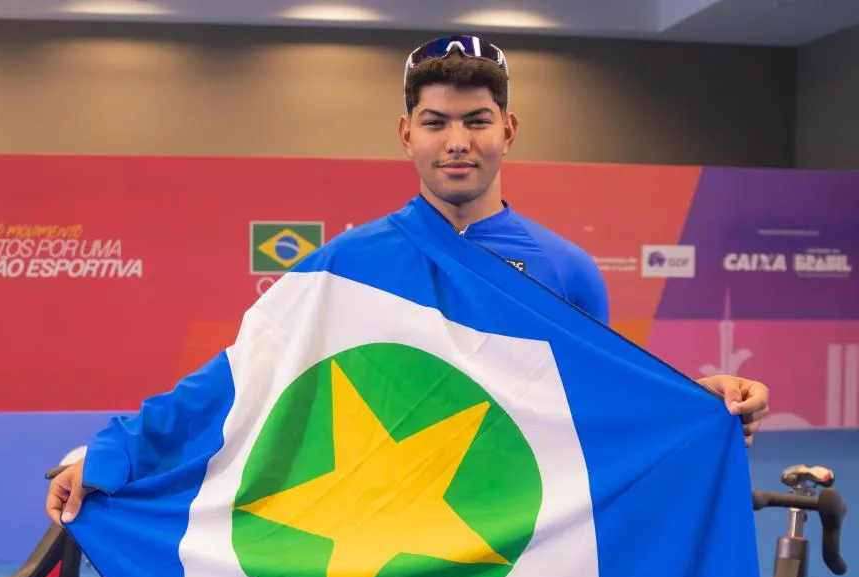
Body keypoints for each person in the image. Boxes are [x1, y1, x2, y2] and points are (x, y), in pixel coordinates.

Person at [46, 34, 770, 526]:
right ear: (407, 134)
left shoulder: (566, 271)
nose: (458, 141)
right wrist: (112, 451)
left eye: (477, 121)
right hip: (382, 537)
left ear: (508, 130)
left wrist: (699, 401)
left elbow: (608, 403)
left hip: (516, 538)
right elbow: (236, 380)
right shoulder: (346, 263)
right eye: (437, 122)